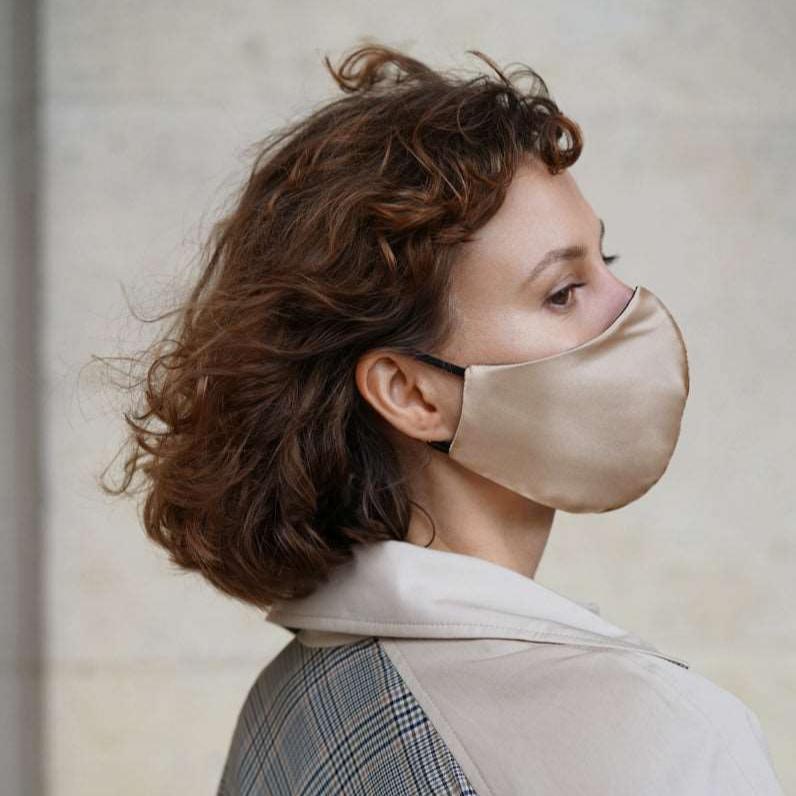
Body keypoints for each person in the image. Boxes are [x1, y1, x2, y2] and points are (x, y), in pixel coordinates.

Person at [100, 42, 785, 794]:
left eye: (606, 261)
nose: (632, 309)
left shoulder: (284, 705)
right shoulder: (666, 737)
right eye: (562, 291)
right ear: (412, 393)